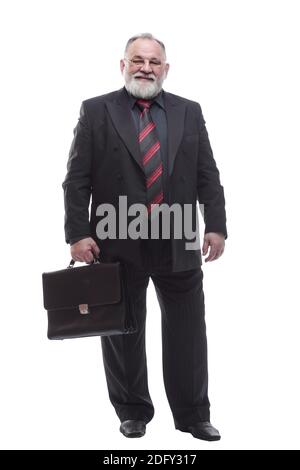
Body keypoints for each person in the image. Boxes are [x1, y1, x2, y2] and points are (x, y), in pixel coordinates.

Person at [62, 33, 228, 441]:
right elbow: (76, 179)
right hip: (117, 239)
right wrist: (78, 233)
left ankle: (193, 415)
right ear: (123, 65)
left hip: (179, 239)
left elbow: (208, 173)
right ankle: (132, 410)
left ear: (165, 70)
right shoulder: (96, 111)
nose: (146, 68)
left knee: (188, 330)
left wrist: (216, 225)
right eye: (137, 60)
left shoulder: (190, 112)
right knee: (123, 330)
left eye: (154, 62)